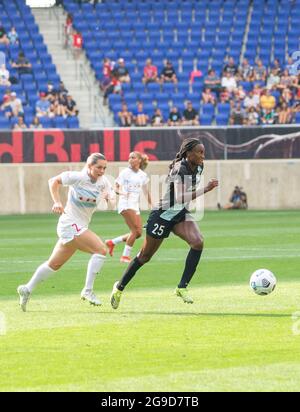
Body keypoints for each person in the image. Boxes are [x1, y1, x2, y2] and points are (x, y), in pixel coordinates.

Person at [110, 138, 219, 309]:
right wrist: (206, 189)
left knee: (198, 242)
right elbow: (179, 197)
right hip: (162, 216)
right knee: (145, 256)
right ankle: (119, 287)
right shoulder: (179, 169)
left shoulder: (199, 166)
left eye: (203, 152)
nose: (203, 156)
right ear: (188, 153)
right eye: (200, 152)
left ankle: (181, 288)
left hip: (179, 213)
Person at [17, 153, 115, 312]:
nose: (102, 171)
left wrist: (112, 196)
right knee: (101, 249)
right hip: (69, 223)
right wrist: (57, 202)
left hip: (80, 225)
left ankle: (26, 289)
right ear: (89, 166)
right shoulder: (77, 177)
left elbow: (110, 196)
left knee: (54, 265)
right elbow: (53, 181)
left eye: (104, 168)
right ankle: (88, 291)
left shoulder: (103, 182)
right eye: (99, 167)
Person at [106, 152, 151, 263]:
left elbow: (146, 191)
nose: (130, 159)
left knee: (139, 233)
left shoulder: (142, 175)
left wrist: (151, 204)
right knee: (134, 231)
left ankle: (112, 242)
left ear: (139, 160)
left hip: (134, 205)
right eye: (129, 157)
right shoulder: (125, 172)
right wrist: (121, 192)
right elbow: (116, 187)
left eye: (133, 157)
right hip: (125, 204)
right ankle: (125, 256)